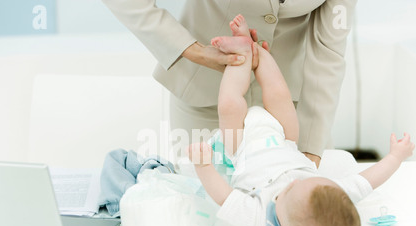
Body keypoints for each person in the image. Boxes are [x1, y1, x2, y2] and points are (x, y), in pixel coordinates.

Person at [188, 15, 415, 226]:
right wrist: (396, 157)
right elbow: (368, 180)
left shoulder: (258, 219)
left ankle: (241, 55)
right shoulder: (333, 197)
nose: (293, 181)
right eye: (307, 181)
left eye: (287, 192)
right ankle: (258, 52)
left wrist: (203, 165)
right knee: (279, 95)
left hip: (241, 147)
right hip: (285, 139)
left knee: (229, 105)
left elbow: (224, 196)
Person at [102, 0, 359, 167]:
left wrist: (310, 152)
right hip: (206, 96)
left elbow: (329, 51)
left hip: (291, 106)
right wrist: (194, 51)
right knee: (210, 214)